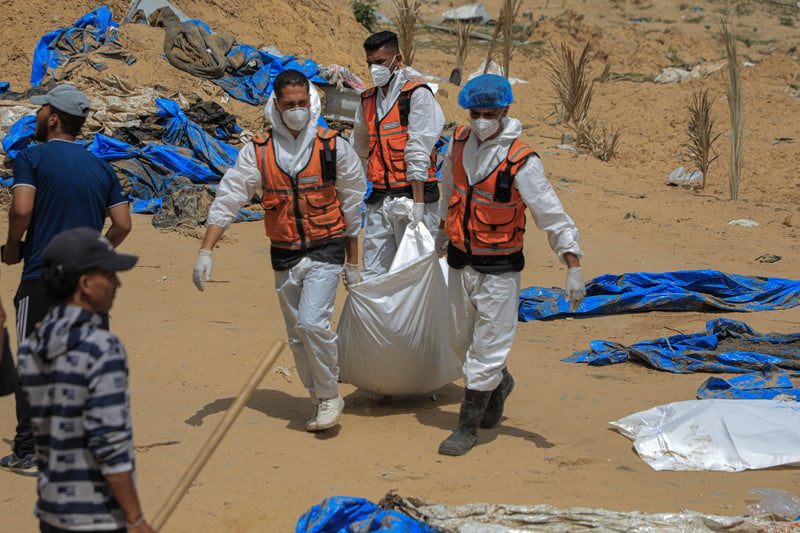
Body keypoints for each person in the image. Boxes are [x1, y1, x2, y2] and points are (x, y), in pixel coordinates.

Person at [192, 69, 366, 432]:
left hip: (326, 246)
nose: (297, 110)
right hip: (284, 251)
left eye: (303, 103)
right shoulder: (258, 151)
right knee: (297, 334)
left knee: (313, 322)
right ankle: (317, 396)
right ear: (277, 105)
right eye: (290, 105)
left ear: (311, 102)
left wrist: (354, 261)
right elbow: (230, 196)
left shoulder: (333, 146)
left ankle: (331, 395)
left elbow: (352, 204)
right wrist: (206, 250)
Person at [437, 74, 586, 456]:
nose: (481, 120)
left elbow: (550, 215)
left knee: (486, 348)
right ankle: (498, 384)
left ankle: (466, 428)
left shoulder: (522, 161)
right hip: (459, 261)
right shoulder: (458, 143)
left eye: (490, 113)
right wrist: (440, 230)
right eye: (475, 113)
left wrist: (572, 266)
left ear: (505, 111)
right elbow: (448, 191)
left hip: (500, 270)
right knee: (459, 341)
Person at [1, 84, 132, 475]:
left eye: (42, 110)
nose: (38, 115)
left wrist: (11, 247)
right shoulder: (102, 167)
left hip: (43, 277)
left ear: (53, 117)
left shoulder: (32, 157)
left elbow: (22, 209)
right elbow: (123, 224)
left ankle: (29, 451)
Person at [16, 227, 154, 533]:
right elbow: (109, 444)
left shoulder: (31, 347)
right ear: (86, 284)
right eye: (109, 275)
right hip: (98, 517)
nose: (117, 283)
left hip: (51, 513)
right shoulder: (102, 348)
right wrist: (136, 519)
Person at [350, 30, 445, 279]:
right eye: (370, 63)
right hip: (380, 198)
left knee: (417, 272)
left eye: (380, 62)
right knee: (374, 272)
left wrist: (419, 205)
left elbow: (419, 149)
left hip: (414, 197)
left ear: (397, 59)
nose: (374, 69)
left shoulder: (416, 95)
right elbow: (358, 149)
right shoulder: (368, 100)